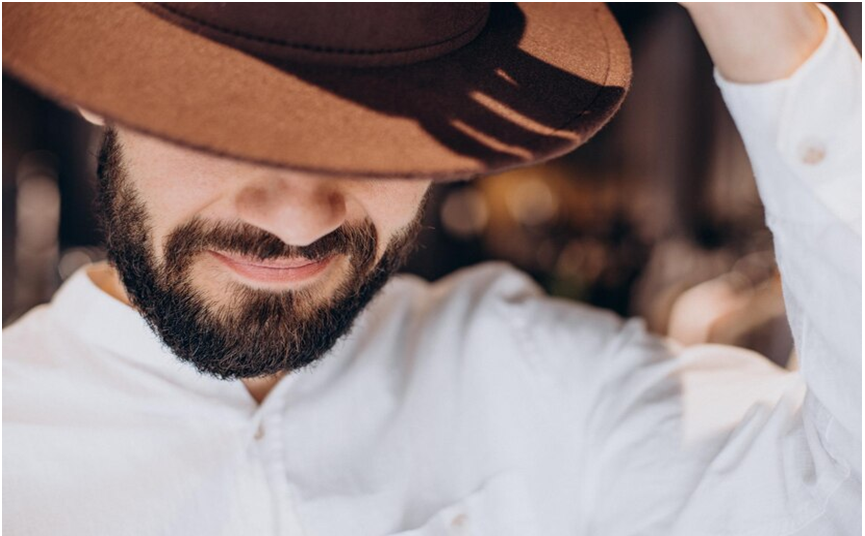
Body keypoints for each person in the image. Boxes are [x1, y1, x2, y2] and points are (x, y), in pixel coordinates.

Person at [2, 3, 860, 535]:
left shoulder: (546, 383)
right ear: (99, 84)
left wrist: (770, 36)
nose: (300, 219)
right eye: (223, 125)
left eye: (378, 139)